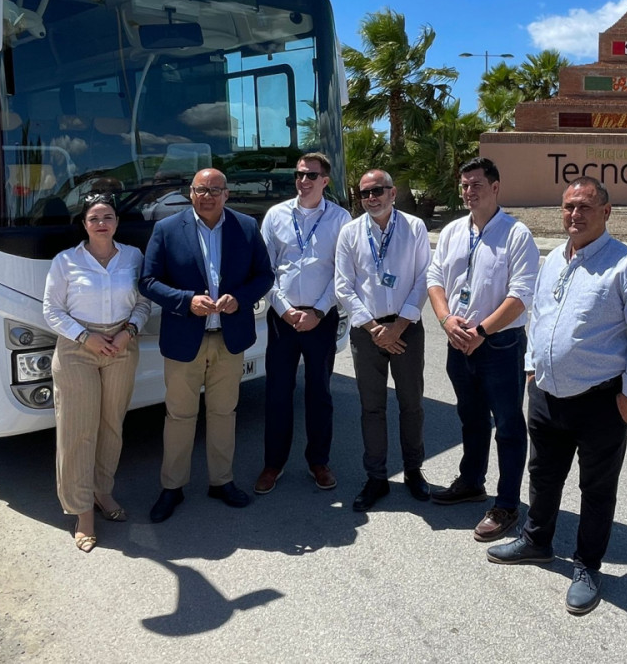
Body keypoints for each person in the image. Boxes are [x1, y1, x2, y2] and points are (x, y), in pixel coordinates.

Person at [487, 177, 627, 616]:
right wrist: (532, 365)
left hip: (600, 401)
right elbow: (541, 317)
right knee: (544, 475)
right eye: (569, 206)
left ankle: (588, 566)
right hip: (548, 394)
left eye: (586, 206)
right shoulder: (553, 260)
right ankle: (536, 539)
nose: (575, 214)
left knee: (597, 487)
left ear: (606, 212)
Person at [140, 168, 274, 522]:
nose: (209, 195)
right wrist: (186, 300)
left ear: (227, 194)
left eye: (216, 189)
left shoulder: (245, 227)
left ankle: (221, 481)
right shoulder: (167, 229)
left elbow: (265, 275)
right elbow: (148, 280)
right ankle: (172, 487)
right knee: (180, 415)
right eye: (202, 189)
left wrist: (240, 299)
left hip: (229, 340)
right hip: (185, 338)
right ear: (191, 193)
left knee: (223, 413)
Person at [427, 158, 539, 542]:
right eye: (464, 185)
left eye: (476, 184)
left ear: (496, 188)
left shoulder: (516, 234)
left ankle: (507, 504)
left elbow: (522, 294)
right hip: (458, 342)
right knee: (470, 419)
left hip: (500, 345)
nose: (469, 191)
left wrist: (481, 330)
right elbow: (435, 278)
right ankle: (471, 482)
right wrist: (446, 320)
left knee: (507, 426)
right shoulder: (453, 231)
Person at [42, 194, 151, 552]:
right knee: (78, 430)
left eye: (107, 216)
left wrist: (128, 332)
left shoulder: (132, 256)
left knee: (111, 426)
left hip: (121, 344)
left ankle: (103, 492)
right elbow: (52, 310)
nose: (101, 223)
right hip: (78, 349)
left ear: (117, 222)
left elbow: (143, 301)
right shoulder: (66, 261)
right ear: (84, 224)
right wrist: (85, 337)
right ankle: (82, 512)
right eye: (94, 218)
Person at [334, 169, 432, 512]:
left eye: (378, 191)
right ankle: (376, 477)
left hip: (407, 328)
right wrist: (375, 328)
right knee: (372, 408)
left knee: (411, 404)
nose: (371, 198)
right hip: (367, 331)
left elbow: (424, 278)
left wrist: (399, 325)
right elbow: (343, 286)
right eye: (364, 193)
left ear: (392, 193)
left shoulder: (414, 227)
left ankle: (413, 471)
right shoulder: (350, 232)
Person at [256, 153, 351, 494]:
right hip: (283, 318)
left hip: (321, 318)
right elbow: (265, 270)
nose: (304, 181)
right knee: (278, 393)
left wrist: (319, 312)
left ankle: (318, 462)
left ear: (326, 180)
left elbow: (343, 272)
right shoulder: (276, 215)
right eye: (299, 175)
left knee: (319, 393)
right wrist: (283, 309)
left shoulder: (341, 219)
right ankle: (273, 464)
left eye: (312, 175)